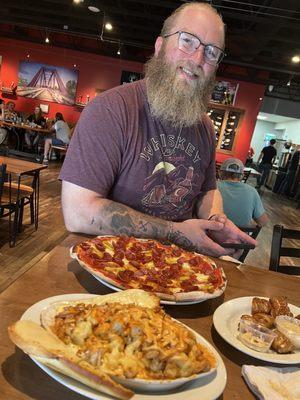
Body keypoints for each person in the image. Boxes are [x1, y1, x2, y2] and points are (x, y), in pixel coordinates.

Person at [60, 2, 256, 257]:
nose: (197, 59)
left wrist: (215, 220)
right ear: (160, 46)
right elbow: (77, 212)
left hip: (180, 267)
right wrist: (175, 231)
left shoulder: (204, 127)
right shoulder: (110, 110)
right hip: (110, 262)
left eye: (211, 52)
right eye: (187, 41)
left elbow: (207, 191)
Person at [218, 158, 268, 227]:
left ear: (220, 173)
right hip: (239, 237)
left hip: (210, 236)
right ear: (242, 176)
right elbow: (263, 222)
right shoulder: (252, 191)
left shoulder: (212, 188)